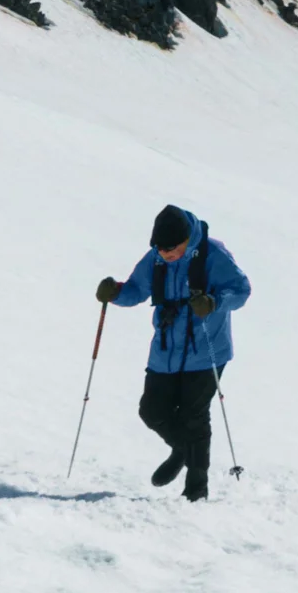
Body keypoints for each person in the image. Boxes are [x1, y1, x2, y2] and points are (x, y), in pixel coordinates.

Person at [96, 205, 251, 500]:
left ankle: (196, 489)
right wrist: (115, 293)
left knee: (195, 417)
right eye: (161, 248)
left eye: (172, 248)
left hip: (206, 350)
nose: (166, 254)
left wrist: (214, 302)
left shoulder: (212, 254)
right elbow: (136, 290)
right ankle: (182, 450)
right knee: (152, 411)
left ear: (186, 239)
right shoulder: (155, 259)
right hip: (164, 353)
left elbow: (241, 290)